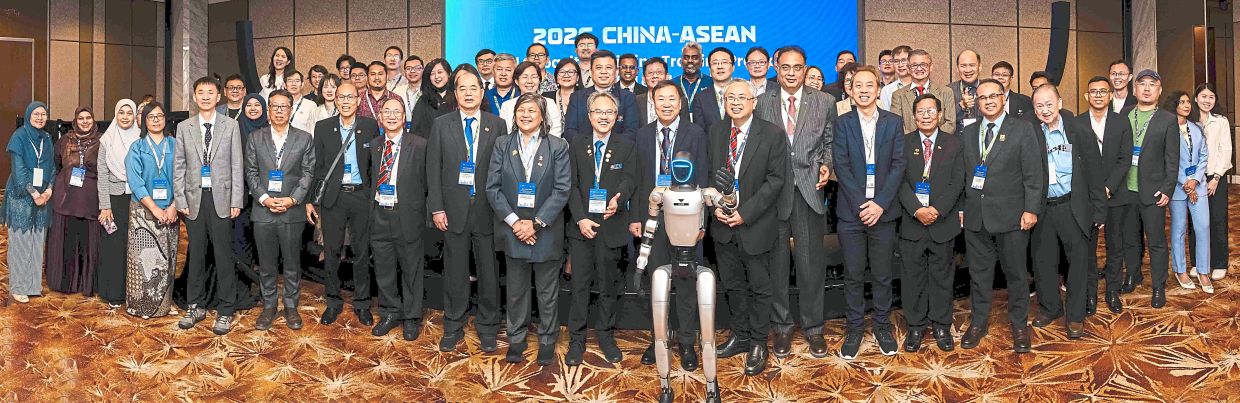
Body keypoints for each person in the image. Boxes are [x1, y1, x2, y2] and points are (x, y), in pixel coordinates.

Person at [755, 45, 835, 359]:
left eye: (797, 67)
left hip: (809, 191)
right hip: (773, 194)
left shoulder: (824, 101)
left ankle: (814, 328)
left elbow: (829, 140)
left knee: (810, 265)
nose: (791, 73)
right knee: (776, 266)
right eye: (785, 67)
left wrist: (827, 164)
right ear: (776, 68)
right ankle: (782, 327)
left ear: (805, 69)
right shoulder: (762, 101)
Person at [486, 93, 572, 366]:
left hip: (545, 230)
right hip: (513, 230)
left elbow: (562, 190)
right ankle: (516, 338)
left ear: (542, 116)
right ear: (514, 115)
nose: (525, 115)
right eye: (521, 110)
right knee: (516, 291)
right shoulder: (502, 144)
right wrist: (515, 222)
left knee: (547, 292)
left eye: (532, 111)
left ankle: (547, 340)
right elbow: (493, 188)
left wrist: (535, 223)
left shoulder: (557, 146)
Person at [710, 79, 788, 376]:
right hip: (722, 224)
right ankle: (740, 336)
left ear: (754, 102)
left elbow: (775, 181)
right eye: (730, 97)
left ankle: (758, 342)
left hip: (755, 224)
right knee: (732, 285)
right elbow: (709, 174)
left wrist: (745, 213)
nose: (736, 102)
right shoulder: (716, 131)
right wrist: (716, 205)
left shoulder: (772, 134)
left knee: (759, 288)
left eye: (742, 97)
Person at [959, 78, 1043, 353]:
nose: (988, 101)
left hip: (1012, 217)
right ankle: (978, 323)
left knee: (1016, 274)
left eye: (993, 96)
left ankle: (1019, 325)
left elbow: (1033, 173)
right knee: (978, 275)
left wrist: (1031, 209)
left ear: (1004, 98)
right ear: (977, 103)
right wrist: (961, 208)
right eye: (983, 97)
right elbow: (962, 174)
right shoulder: (968, 132)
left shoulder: (1022, 129)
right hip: (976, 217)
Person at [632, 80, 711, 368]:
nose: (666, 104)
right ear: (653, 103)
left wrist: (702, 221)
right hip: (653, 218)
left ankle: (687, 342)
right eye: (660, 99)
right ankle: (659, 338)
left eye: (671, 99)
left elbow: (703, 178)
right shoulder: (642, 134)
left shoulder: (696, 133)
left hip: (686, 220)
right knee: (657, 281)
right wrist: (636, 218)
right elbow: (638, 179)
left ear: (680, 103)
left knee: (686, 282)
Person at [428, 64, 506, 353]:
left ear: (482, 92)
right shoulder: (441, 124)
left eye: (474, 88)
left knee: (488, 272)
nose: (469, 93)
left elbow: (503, 170)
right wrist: (437, 208)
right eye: (463, 88)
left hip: (487, 210)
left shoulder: (497, 125)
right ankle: (453, 324)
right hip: (453, 211)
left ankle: (488, 326)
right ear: (455, 93)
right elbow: (433, 169)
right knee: (455, 271)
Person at [832, 65, 907, 359]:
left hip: (883, 212)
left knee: (882, 274)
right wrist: (862, 205)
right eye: (858, 85)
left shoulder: (893, 122)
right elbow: (841, 165)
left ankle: (882, 327)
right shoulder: (842, 123)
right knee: (852, 274)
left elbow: (899, 164)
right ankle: (854, 329)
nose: (864, 90)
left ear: (878, 90)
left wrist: (880, 204)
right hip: (851, 213)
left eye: (869, 85)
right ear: (850, 91)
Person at [564, 91, 638, 366]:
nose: (603, 117)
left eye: (609, 112)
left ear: (617, 117)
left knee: (609, 285)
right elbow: (570, 184)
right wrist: (580, 218)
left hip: (612, 226)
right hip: (581, 227)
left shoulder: (626, 145)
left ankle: (606, 336)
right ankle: (577, 340)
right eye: (598, 112)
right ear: (589, 115)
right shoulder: (576, 144)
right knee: (579, 286)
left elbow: (630, 179)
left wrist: (620, 198)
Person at [1028, 84, 1106, 340]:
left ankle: (1075, 315)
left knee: (1078, 263)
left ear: (1060, 103)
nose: (1045, 110)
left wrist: (1099, 210)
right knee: (1043, 261)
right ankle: (1050, 307)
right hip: (1042, 208)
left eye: (1049, 104)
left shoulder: (1079, 131)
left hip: (1073, 205)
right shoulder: (1030, 132)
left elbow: (1095, 171)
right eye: (1039, 106)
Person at [172, 77, 245, 334]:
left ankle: (226, 309)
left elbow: (237, 165)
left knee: (224, 255)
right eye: (201, 92)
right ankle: (195, 305)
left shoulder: (230, 125)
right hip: (194, 200)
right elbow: (178, 166)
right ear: (194, 97)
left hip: (221, 199)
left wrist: (236, 200)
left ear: (218, 96)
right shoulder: (184, 127)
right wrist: (180, 199)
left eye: (210, 92)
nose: (205, 96)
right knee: (196, 255)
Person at [897, 94, 964, 352]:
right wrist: (917, 210)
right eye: (921, 111)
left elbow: (957, 181)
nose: (926, 115)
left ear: (940, 114)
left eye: (931, 111)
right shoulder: (903, 143)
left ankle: (941, 325)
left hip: (942, 221)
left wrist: (936, 210)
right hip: (912, 222)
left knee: (942, 276)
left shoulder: (953, 143)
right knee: (912, 277)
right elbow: (898, 181)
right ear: (914, 116)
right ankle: (915, 326)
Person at [307, 80, 376, 326]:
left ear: (358, 100)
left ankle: (362, 303)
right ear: (335, 101)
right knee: (332, 251)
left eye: (350, 97)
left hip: (360, 196)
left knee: (361, 251)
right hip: (333, 198)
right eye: (341, 97)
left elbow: (373, 165)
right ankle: (333, 301)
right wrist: (311, 200)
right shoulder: (323, 127)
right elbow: (317, 166)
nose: (346, 102)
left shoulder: (369, 126)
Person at [245, 89, 316, 331]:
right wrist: (265, 199)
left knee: (292, 262)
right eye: (274, 106)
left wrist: (292, 200)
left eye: (283, 106)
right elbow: (251, 172)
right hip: (263, 210)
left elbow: (308, 174)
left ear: (290, 109)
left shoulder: (304, 138)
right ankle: (269, 306)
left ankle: (291, 306)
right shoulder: (255, 137)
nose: (279, 111)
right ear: (268, 110)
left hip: (292, 211)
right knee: (266, 263)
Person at [367, 97, 429, 340]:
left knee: (411, 267)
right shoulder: (374, 145)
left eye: (396, 112)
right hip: (379, 214)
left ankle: (412, 317)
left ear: (404, 118)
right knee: (384, 268)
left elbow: (428, 183)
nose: (391, 116)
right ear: (380, 117)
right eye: (387, 112)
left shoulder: (420, 145)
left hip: (408, 215)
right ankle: (390, 312)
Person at [1116, 69, 1177, 308]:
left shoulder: (1168, 120)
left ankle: (1158, 286)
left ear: (1159, 90)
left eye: (1152, 84)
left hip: (1153, 191)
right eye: (1142, 84)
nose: (1147, 88)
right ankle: (1133, 275)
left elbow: (1172, 159)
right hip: (1126, 189)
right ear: (1135, 89)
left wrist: (1167, 188)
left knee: (1156, 241)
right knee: (1130, 238)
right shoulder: (1124, 114)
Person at [1075, 76, 1133, 314]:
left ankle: (1112, 291)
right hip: (1087, 197)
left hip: (1115, 194)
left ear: (1110, 95)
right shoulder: (1077, 123)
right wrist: (1093, 191)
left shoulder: (1121, 122)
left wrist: (1107, 187)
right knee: (1087, 248)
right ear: (1086, 96)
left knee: (1115, 245)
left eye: (1102, 91)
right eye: (1093, 91)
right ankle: (1090, 295)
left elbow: (1125, 159)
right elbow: (1075, 160)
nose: (1098, 95)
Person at [123, 102, 179, 318]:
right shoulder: (137, 147)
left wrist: (174, 206)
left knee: (167, 259)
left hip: (171, 209)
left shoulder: (175, 144)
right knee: (143, 261)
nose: (156, 120)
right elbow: (135, 181)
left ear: (165, 119)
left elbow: (183, 177)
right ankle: (140, 305)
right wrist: (154, 208)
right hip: (142, 211)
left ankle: (163, 305)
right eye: (151, 117)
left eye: (160, 116)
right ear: (144, 121)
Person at [46, 106, 103, 298]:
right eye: (81, 118)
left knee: (88, 242)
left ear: (93, 120)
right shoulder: (65, 140)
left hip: (90, 201)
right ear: (75, 121)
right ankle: (66, 282)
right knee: (68, 241)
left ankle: (87, 283)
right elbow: (55, 164)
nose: (85, 121)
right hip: (66, 199)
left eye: (88, 118)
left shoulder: (102, 141)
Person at [1164, 91, 1212, 294]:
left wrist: (1195, 180)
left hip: (1198, 186)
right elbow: (1166, 160)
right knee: (1179, 230)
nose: (1186, 105)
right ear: (1174, 105)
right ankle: (1180, 270)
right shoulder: (1167, 129)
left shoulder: (1196, 128)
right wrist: (1185, 183)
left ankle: (1203, 271)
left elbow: (1204, 155)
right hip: (1177, 188)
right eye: (1181, 102)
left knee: (1203, 227)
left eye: (1187, 102)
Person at [3, 102, 51, 298]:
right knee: (21, 243)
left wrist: (48, 191)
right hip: (20, 196)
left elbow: (53, 168)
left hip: (42, 196)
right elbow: (19, 171)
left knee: (37, 242)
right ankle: (18, 288)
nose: (40, 117)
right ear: (28, 115)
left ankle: (33, 286)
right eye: (36, 114)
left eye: (43, 114)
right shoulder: (19, 137)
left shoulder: (46, 138)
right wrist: (34, 194)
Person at [97, 99, 140, 307]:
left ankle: (135, 292)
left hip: (138, 198)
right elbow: (102, 174)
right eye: (121, 112)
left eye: (129, 113)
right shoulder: (107, 140)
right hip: (114, 199)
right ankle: (114, 292)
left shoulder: (141, 138)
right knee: (115, 244)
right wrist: (105, 206)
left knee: (136, 244)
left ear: (135, 116)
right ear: (116, 115)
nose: (125, 116)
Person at [1193, 84, 1231, 281]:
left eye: (1211, 97)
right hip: (1194, 179)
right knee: (1196, 221)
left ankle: (1219, 263)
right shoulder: (1189, 121)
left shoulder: (1221, 121)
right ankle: (1198, 263)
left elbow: (1226, 151)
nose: (1207, 100)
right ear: (1196, 98)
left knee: (1217, 219)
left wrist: (1216, 177)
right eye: (1203, 96)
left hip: (1215, 177)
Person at [563, 50, 639, 143]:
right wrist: (591, 147)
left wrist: (608, 148)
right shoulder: (577, 97)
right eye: (599, 68)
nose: (604, 72)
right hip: (583, 150)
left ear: (616, 72)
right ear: (591, 72)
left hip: (619, 151)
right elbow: (569, 131)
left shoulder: (628, 98)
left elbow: (631, 132)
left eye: (608, 67)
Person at [891, 49, 957, 134]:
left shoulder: (946, 92)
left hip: (941, 141)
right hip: (909, 141)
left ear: (931, 67)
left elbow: (950, 124)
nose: (919, 68)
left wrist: (933, 139)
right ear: (908, 68)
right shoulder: (898, 95)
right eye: (914, 65)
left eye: (923, 65)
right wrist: (916, 139)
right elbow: (897, 126)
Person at [500, 61, 563, 137]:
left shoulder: (549, 103)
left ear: (539, 80)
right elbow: (505, 135)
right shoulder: (507, 106)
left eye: (534, 77)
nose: (529, 81)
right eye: (525, 77)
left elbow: (555, 132)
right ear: (516, 81)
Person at [689, 47, 736, 132]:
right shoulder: (701, 98)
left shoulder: (743, 93)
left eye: (724, 62)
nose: (720, 67)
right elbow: (699, 132)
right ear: (710, 69)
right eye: (715, 63)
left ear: (733, 67)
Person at [409, 58, 454, 138]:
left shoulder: (457, 97)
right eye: (432, 74)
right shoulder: (423, 100)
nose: (436, 77)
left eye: (440, 72)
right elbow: (415, 131)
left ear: (449, 73)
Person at [635, 58, 686, 125]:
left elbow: (686, 127)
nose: (655, 76)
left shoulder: (681, 100)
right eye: (650, 73)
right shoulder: (636, 101)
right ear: (643, 78)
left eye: (659, 73)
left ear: (667, 76)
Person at [675, 42, 712, 114]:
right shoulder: (673, 84)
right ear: (681, 62)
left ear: (701, 62)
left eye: (694, 58)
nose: (690, 61)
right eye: (686, 57)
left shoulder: (711, 83)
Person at [544, 58, 583, 125]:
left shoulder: (585, 97)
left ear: (578, 77)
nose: (566, 75)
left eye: (571, 72)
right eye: (562, 72)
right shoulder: (546, 97)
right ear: (556, 77)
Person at [950, 50, 982, 127]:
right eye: (963, 66)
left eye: (972, 65)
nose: (968, 70)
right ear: (957, 68)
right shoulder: (948, 90)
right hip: (956, 134)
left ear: (980, 67)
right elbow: (943, 119)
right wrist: (961, 106)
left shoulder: (988, 88)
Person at [879, 45, 913, 109]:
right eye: (896, 61)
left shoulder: (921, 86)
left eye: (904, 60)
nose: (900, 65)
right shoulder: (886, 90)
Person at [284, 70, 317, 136]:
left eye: (297, 81)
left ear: (302, 85)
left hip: (303, 141)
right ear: (284, 85)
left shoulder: (311, 105)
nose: (293, 84)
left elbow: (313, 130)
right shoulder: (279, 105)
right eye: (290, 80)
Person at [392, 55, 424, 120]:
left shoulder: (429, 91)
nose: (412, 71)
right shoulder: (397, 91)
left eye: (417, 68)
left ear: (423, 70)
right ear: (404, 71)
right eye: (408, 68)